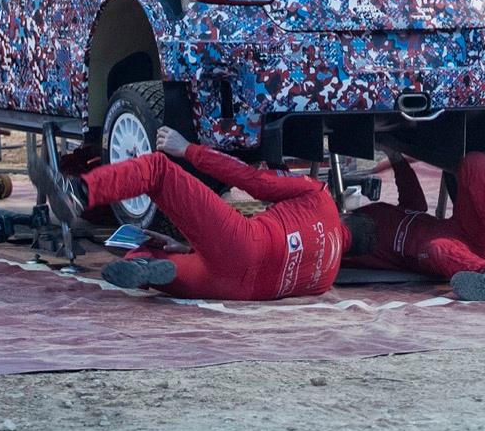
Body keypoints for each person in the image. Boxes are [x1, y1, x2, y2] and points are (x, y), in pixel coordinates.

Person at [32, 126, 343, 301]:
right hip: (235, 289)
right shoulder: (325, 279)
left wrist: (188, 149)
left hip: (245, 245)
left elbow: (253, 181)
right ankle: (149, 267)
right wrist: (187, 247)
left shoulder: (320, 197)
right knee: (144, 255)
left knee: (157, 170)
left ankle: (78, 194)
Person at [341, 148, 485, 301]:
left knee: (475, 161)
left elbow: (416, 203)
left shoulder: (370, 211)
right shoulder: (342, 244)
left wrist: (395, 156)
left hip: (461, 231)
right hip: (438, 252)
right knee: (435, 248)